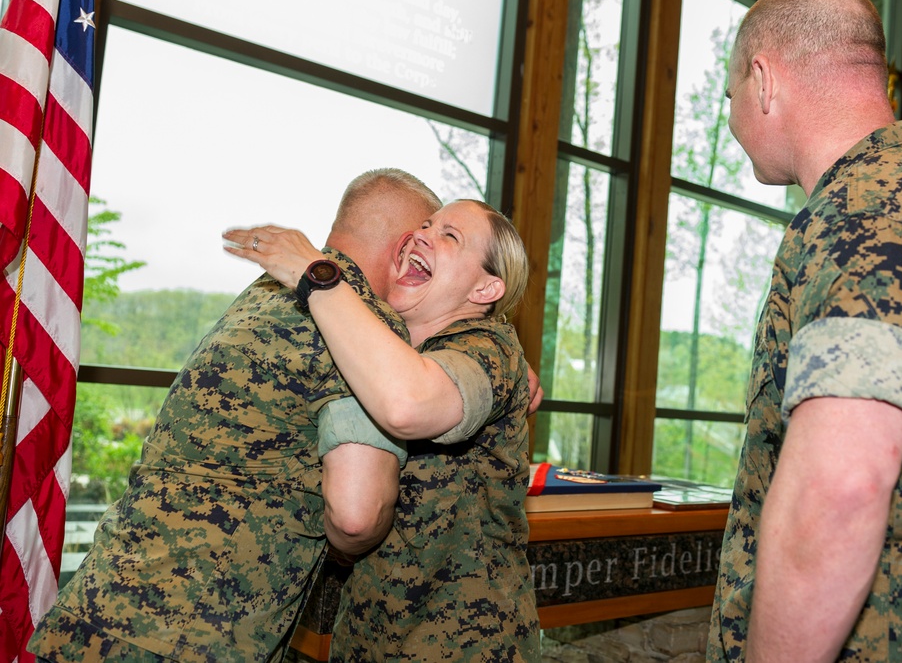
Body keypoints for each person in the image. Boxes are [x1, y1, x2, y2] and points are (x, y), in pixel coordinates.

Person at [27, 168, 442, 662]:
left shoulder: (264, 294)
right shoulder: (363, 326)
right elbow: (357, 515)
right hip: (193, 635)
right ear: (405, 250)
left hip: (96, 605)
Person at [708, 0, 902, 662]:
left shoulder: (873, 214)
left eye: (729, 98)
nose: (731, 117)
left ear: (763, 81)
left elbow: (839, 487)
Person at [226, 198, 541, 662]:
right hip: (369, 637)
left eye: (449, 236)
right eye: (425, 226)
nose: (421, 235)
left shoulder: (490, 347)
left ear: (485, 287)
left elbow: (410, 403)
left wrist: (317, 275)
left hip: (465, 644)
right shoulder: (383, 343)